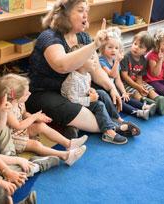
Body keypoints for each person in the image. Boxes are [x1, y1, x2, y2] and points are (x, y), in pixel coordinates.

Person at [26, 0, 129, 138]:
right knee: (78, 107)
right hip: (44, 93)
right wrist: (95, 45)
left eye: (87, 11)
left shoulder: (83, 37)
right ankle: (112, 126)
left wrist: (112, 88)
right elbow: (62, 66)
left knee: (102, 92)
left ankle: (76, 126)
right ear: (64, 14)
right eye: (81, 10)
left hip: (72, 90)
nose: (85, 15)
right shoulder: (49, 37)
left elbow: (96, 69)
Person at [0, 74, 87, 166]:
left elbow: (24, 114)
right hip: (12, 138)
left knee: (41, 126)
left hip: (21, 131)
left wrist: (36, 117)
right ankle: (65, 156)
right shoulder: (7, 109)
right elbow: (18, 126)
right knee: (36, 145)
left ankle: (69, 143)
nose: (30, 93)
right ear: (15, 96)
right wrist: (34, 117)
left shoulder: (20, 102)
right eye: (26, 93)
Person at [99, 27, 156, 120]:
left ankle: (144, 106)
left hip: (115, 87)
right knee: (120, 100)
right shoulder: (101, 60)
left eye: (116, 48)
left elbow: (118, 80)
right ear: (102, 48)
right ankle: (138, 113)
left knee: (126, 97)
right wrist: (117, 61)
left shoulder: (114, 60)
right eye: (110, 47)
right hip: (106, 89)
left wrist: (124, 92)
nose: (114, 50)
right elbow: (111, 75)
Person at [120, 31, 164, 115]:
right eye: (135, 44)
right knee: (135, 92)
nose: (136, 47)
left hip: (136, 81)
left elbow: (140, 77)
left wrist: (140, 86)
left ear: (145, 51)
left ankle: (158, 99)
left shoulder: (143, 60)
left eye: (140, 47)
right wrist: (137, 87)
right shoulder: (126, 57)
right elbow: (124, 76)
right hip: (125, 82)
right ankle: (146, 102)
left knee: (148, 88)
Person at [144, 29, 164, 96]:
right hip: (152, 80)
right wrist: (160, 60)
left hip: (161, 79)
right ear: (157, 44)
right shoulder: (152, 56)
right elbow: (155, 74)